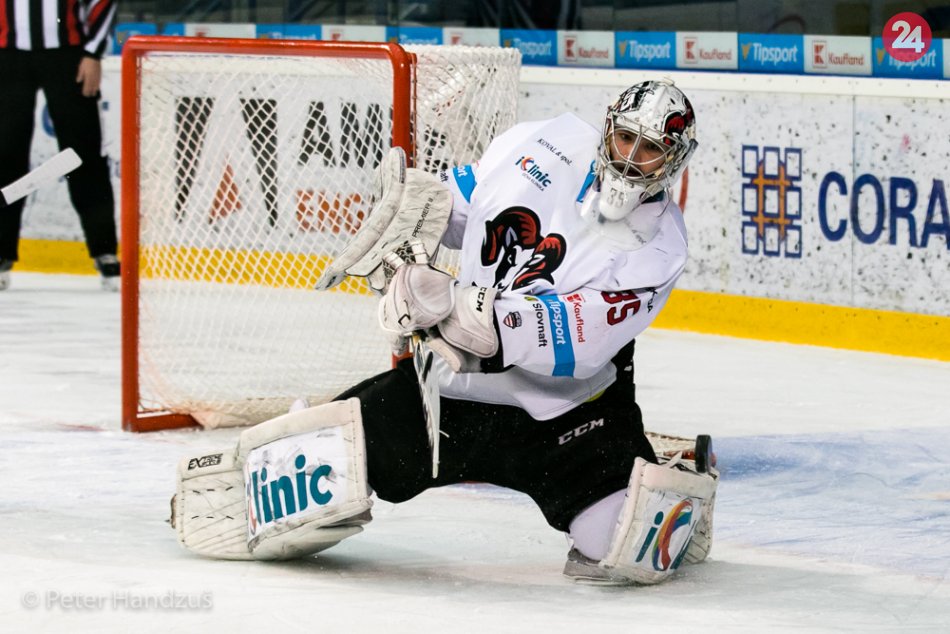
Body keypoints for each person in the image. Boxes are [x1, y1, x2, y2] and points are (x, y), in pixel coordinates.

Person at [172, 80, 719, 585]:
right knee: (314, 467)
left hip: (569, 417)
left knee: (622, 550)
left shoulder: (659, 247)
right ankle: (252, 477)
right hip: (449, 395)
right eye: (625, 138)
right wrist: (418, 222)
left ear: (675, 159)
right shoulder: (542, 142)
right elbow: (462, 207)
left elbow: (572, 343)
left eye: (651, 148)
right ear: (608, 128)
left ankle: (675, 480)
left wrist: (448, 305)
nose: (631, 157)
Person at [0, 0, 119, 291]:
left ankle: (104, 251)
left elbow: (102, 2)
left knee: (83, 154)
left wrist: (93, 52)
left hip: (68, 55)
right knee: (4, 154)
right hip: (6, 56)